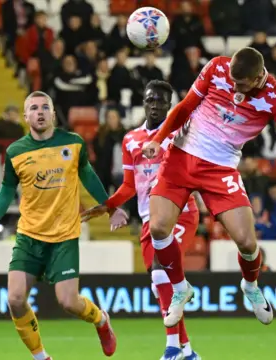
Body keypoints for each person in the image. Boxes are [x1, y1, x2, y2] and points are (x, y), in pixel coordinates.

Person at [140, 48, 276, 327]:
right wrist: (159, 138)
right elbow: (184, 107)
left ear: (256, 80)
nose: (234, 87)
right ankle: (181, 289)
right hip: (181, 157)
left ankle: (250, 286)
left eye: (240, 84)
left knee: (247, 242)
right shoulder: (218, 67)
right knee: (158, 227)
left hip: (220, 168)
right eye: (232, 79)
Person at [0, 91, 126, 360]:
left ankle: (100, 319)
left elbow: (88, 176)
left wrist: (111, 207)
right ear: (26, 117)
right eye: (33, 108)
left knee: (68, 302)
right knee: (15, 298)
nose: (39, 112)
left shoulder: (73, 143)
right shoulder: (16, 151)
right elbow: (6, 192)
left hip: (64, 236)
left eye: (44, 107)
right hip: (29, 235)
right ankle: (41, 356)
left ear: (53, 114)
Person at [81, 80, 201, 360]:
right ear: (144, 103)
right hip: (150, 218)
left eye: (161, 101)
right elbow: (129, 185)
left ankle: (172, 349)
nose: (155, 105)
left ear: (170, 105)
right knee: (161, 285)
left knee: (162, 272)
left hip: (180, 213)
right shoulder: (130, 140)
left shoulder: (181, 134)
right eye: (151, 100)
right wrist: (108, 206)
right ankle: (188, 351)